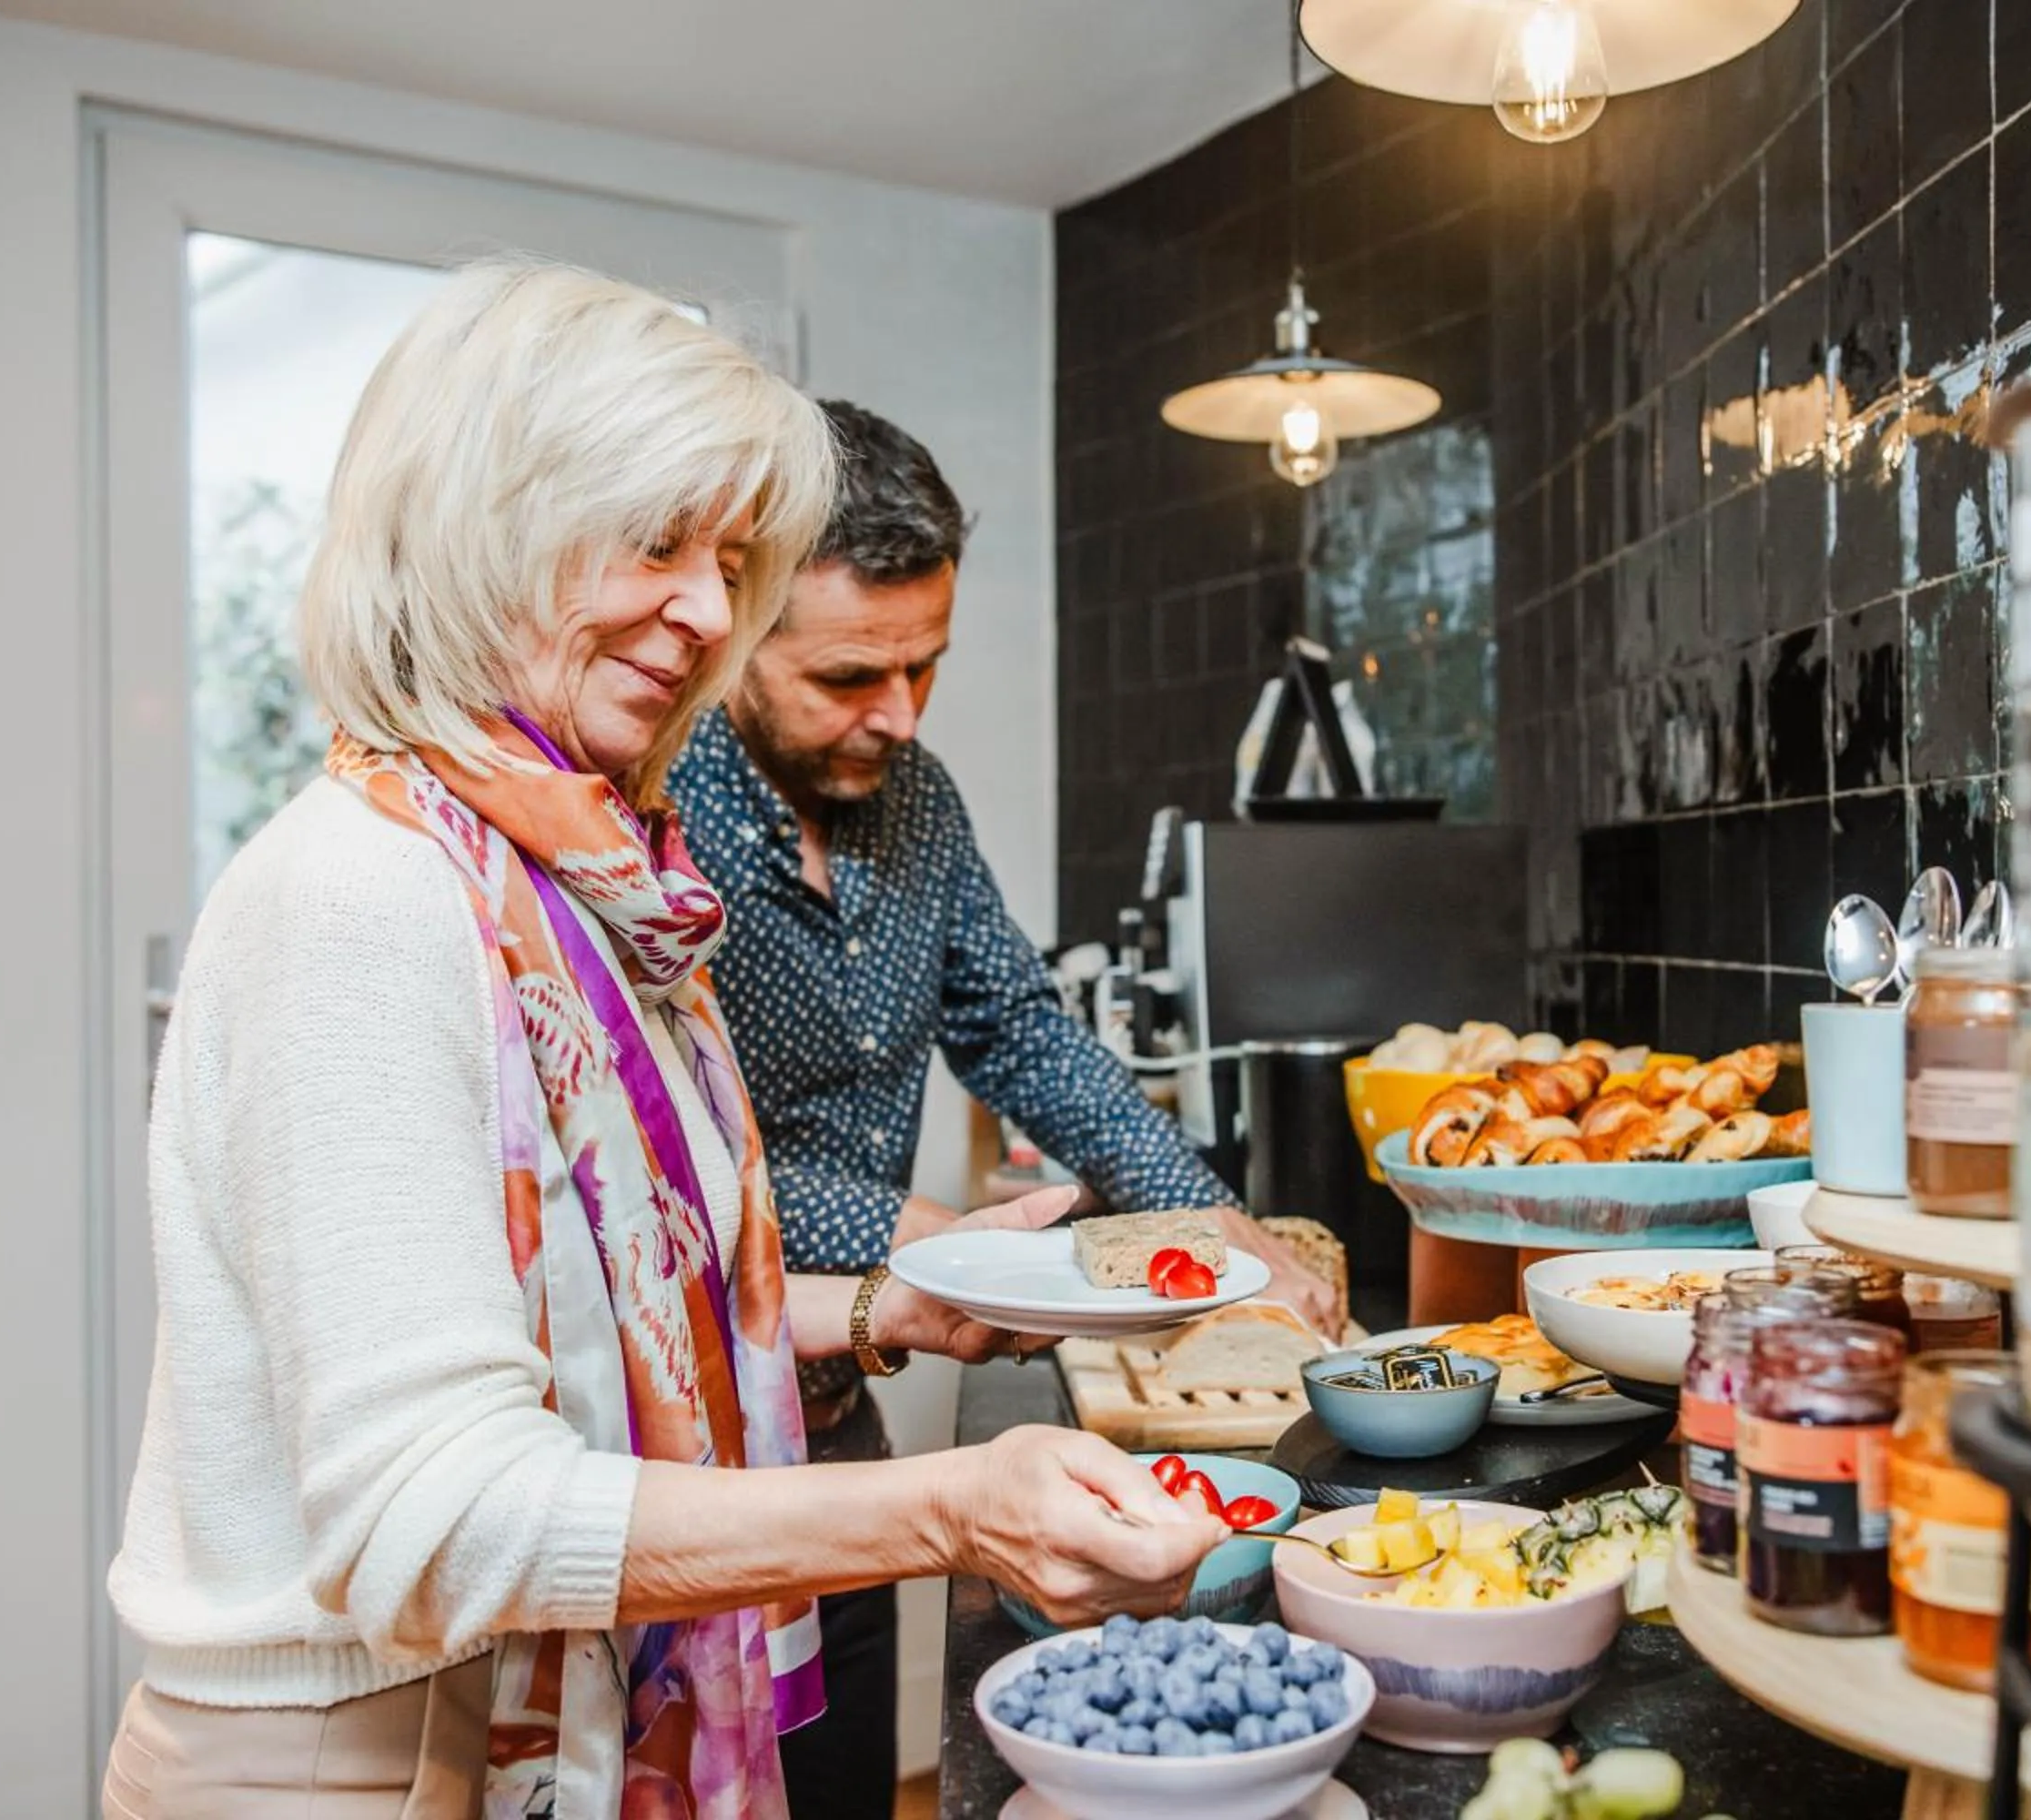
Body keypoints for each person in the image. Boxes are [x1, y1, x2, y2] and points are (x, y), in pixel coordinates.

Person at [100, 261, 1222, 1820]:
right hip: (359, 1752)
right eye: (657, 543)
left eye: (730, 558)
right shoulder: (365, 896)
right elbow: (433, 1523)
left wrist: (893, 1307)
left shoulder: (578, 880)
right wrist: (959, 1504)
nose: (707, 610)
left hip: (536, 1704)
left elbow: (616, 1288)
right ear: (484, 526)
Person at [666, 399, 1342, 1813]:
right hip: (674, 1442)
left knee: (846, 1775)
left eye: (927, 666)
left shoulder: (918, 801)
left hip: (837, 1423)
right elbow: (668, 1152)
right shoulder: (650, 814)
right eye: (852, 674)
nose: (899, 716)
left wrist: (1208, 1217)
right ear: (735, 625)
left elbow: (1023, 1032)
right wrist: (917, 1231)